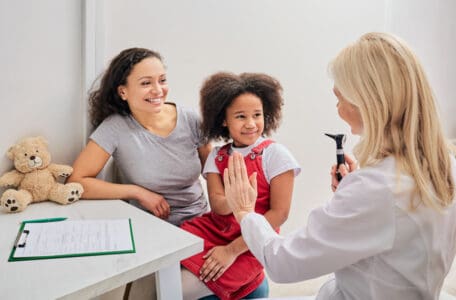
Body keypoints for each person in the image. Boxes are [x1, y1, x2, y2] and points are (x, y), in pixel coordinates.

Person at [223, 32, 456, 300]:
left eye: (340, 97)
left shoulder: (375, 190)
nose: (337, 107)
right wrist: (355, 191)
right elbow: (397, 226)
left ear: (368, 102)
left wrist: (244, 212)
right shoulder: (444, 165)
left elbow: (283, 262)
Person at [67, 48, 211, 299]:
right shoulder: (115, 128)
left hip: (201, 225)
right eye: (146, 83)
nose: (158, 90)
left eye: (162, 80)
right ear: (123, 91)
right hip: (154, 231)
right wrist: (136, 192)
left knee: (254, 286)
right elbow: (77, 182)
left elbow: (214, 174)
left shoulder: (189, 119)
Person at [179, 72, 301, 300]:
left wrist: (231, 250)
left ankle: (249, 282)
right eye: (241, 116)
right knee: (168, 255)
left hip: (251, 241)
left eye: (257, 115)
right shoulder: (217, 155)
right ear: (223, 120)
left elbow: (280, 214)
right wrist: (236, 201)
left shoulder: (276, 155)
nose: (251, 124)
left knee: (180, 289)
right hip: (216, 230)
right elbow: (217, 206)